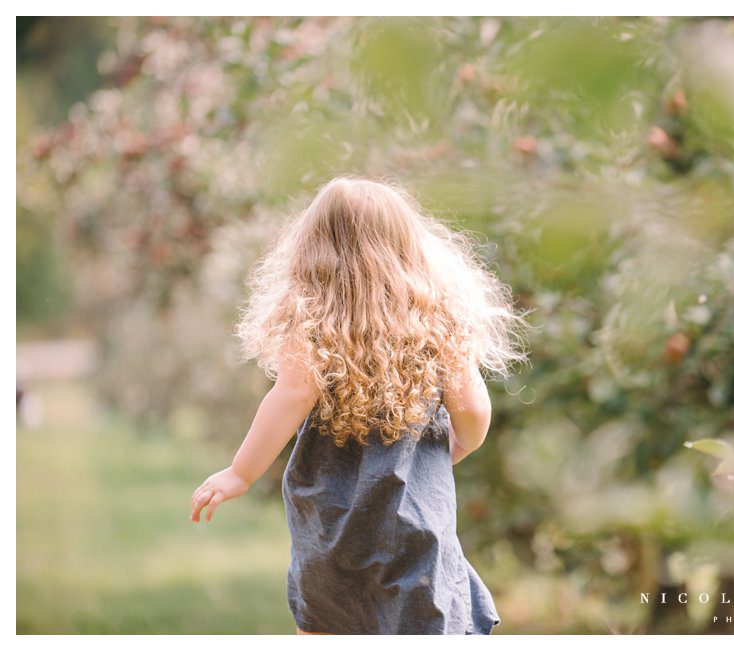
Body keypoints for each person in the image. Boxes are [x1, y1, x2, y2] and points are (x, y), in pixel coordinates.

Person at [188, 175, 531, 634]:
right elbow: (472, 408)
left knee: (326, 625)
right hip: (415, 525)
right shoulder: (439, 319)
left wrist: (239, 473)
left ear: (313, 246)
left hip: (331, 528)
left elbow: (291, 395)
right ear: (410, 246)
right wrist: (462, 444)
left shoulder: (311, 318)